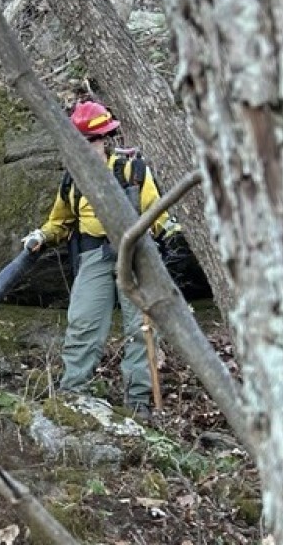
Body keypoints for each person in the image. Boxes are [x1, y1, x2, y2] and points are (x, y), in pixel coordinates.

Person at [22, 100, 181, 423]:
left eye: (95, 140)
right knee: (82, 323)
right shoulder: (72, 179)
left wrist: (163, 233)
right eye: (84, 141)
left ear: (105, 140)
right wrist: (41, 235)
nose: (91, 147)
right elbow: (60, 221)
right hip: (94, 255)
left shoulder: (132, 171)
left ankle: (139, 402)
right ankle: (72, 394)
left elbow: (156, 210)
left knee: (142, 329)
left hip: (137, 254)